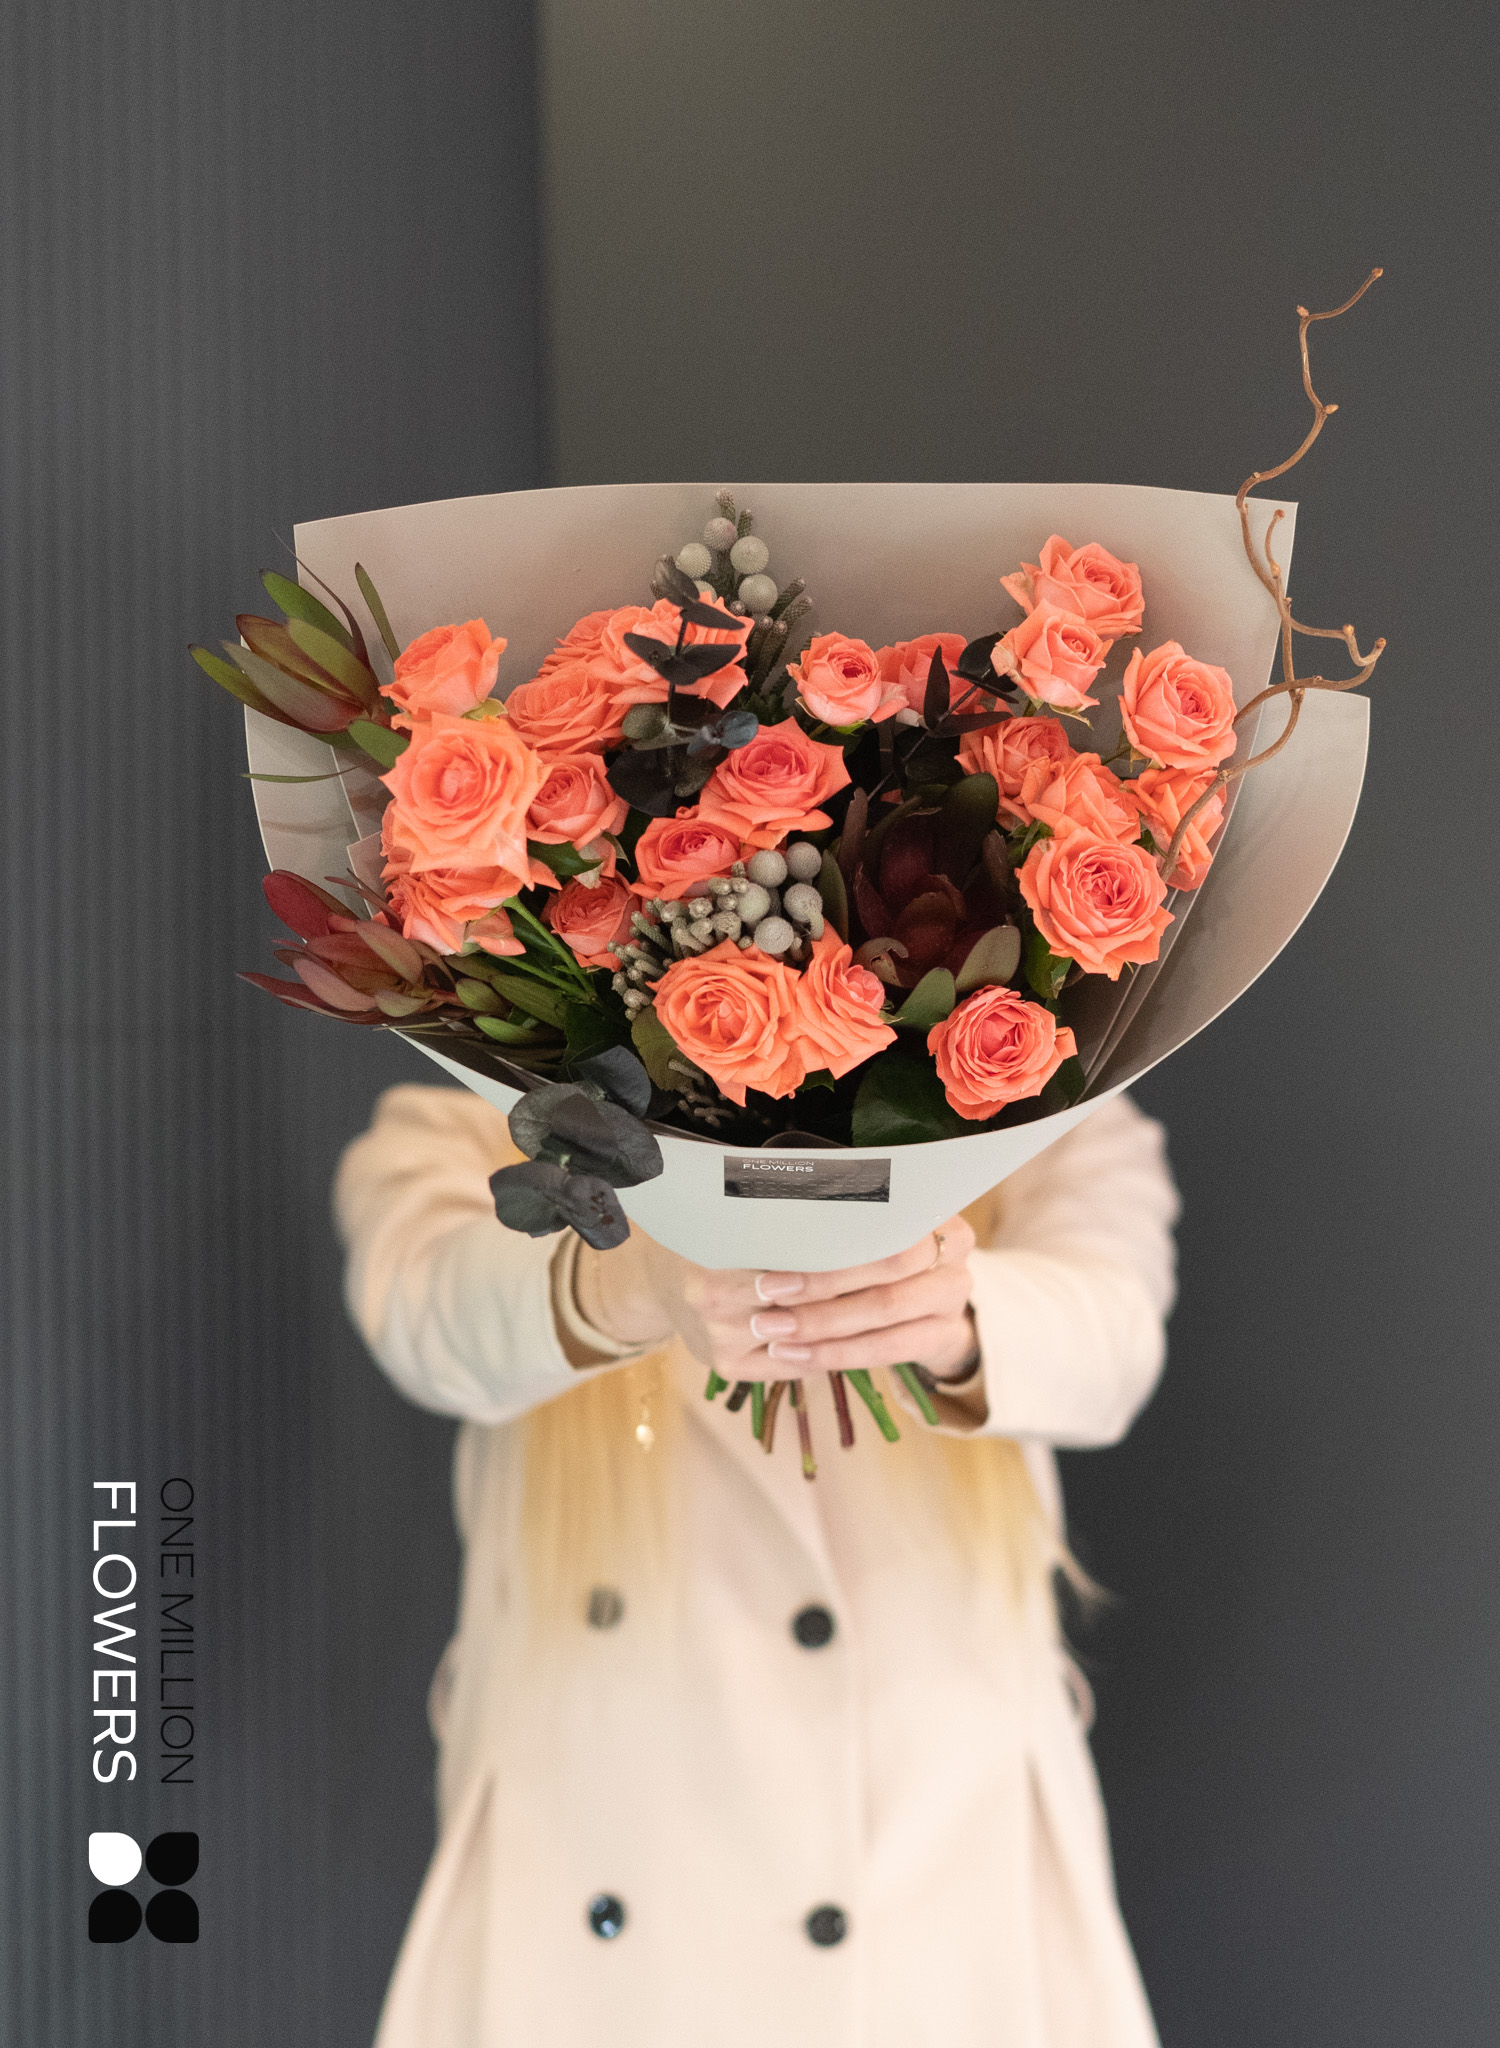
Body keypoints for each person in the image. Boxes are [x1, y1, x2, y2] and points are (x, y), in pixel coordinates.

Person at [335, 1078, 1179, 2048]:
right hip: (597, 1883)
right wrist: (630, 1278)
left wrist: (947, 1311)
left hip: (937, 1866)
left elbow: (1114, 1335)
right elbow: (424, 1310)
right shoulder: (466, 1113)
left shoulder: (1051, 1114)